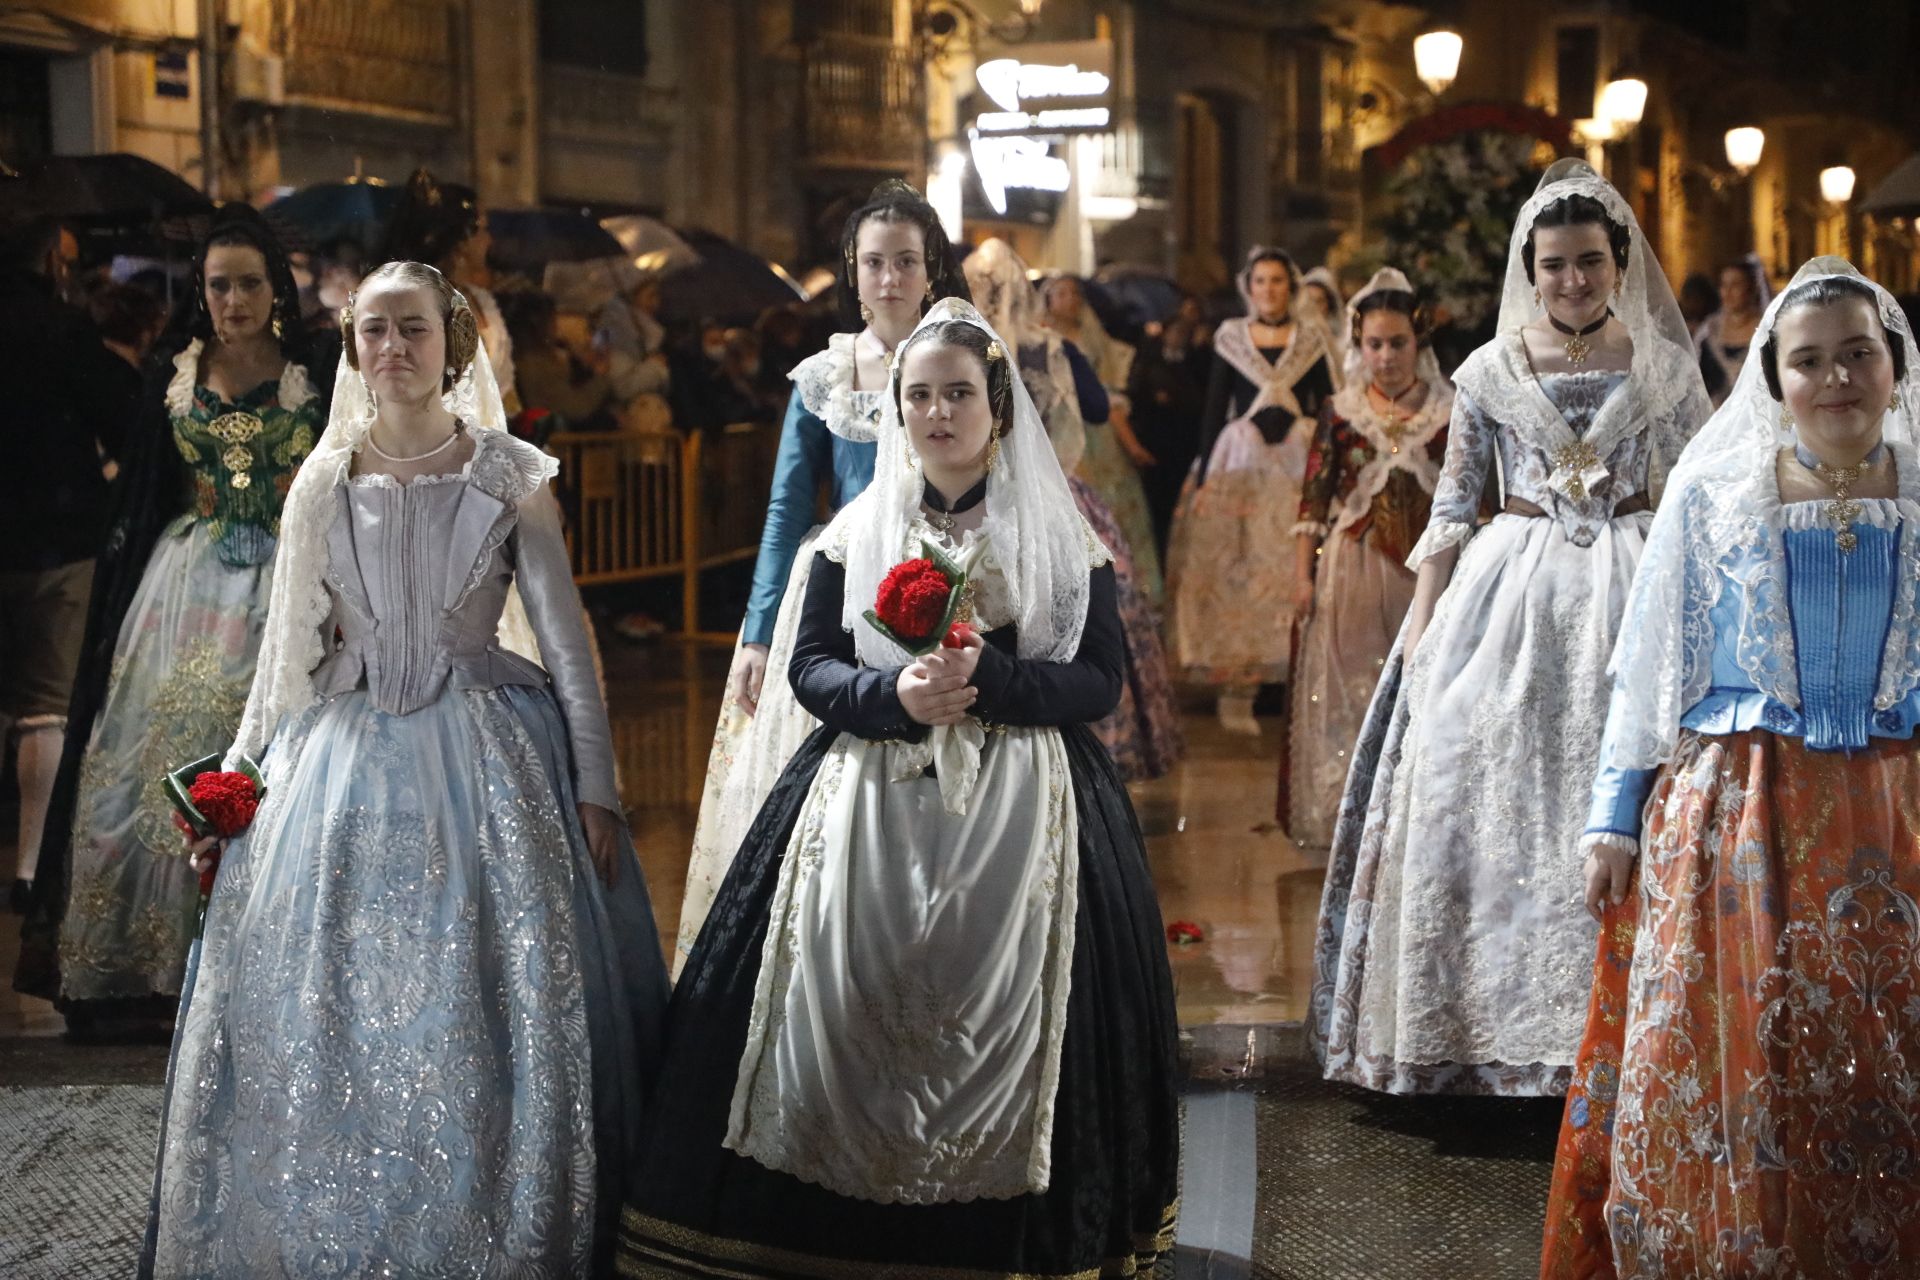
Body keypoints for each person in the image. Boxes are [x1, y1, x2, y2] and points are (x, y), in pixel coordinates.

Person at [618, 299, 1180, 1276]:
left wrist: (997, 682)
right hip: (868, 784)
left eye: (958, 392)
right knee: (834, 986)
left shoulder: (1061, 532)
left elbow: (1097, 679)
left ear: (997, 406)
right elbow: (813, 666)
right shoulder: (857, 529)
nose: (938, 413)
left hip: (1029, 793)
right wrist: (894, 694)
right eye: (919, 395)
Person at [141, 260, 668, 1277]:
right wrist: (237, 785)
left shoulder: (511, 474)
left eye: (413, 329)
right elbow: (285, 651)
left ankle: (489, 1193)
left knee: (489, 978)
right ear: (351, 348)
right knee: (334, 990)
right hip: (342, 756)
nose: (393, 350)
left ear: (452, 342)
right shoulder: (321, 483)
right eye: (373, 331)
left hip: (489, 749)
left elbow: (567, 642)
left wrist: (595, 783)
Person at [1540, 256, 1920, 1276]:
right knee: (1753, 1059)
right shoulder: (1718, 491)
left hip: (1903, 814)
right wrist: (1614, 815)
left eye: (1857, 355)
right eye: (1810, 360)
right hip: (1745, 815)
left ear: (1895, 365)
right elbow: (1652, 665)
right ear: (1771, 376)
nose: (1836, 377)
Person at [1309, 159, 1711, 1096]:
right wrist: (1422, 625)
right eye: (1554, 263)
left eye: (1590, 262)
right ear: (1529, 268)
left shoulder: (1666, 370)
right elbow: (1455, 507)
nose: (1572, 280)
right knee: (1467, 772)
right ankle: (1475, 1032)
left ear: (1620, 266)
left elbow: (1696, 500)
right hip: (1510, 592)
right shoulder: (1489, 371)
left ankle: (1617, 1041)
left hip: (1633, 584)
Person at [16, 207, 336, 1020]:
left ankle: (270, 959)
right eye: (218, 284)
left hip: (288, 579)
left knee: (281, 757)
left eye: (248, 283)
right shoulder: (175, 371)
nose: (232, 300)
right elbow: (142, 482)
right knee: (155, 752)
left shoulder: (318, 373)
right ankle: (156, 962)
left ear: (277, 288)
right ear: (200, 290)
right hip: (184, 584)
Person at [675, 180, 970, 973]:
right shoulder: (824, 376)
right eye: (874, 262)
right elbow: (784, 509)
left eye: (906, 261)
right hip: (841, 591)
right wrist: (758, 633)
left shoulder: (966, 359)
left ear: (930, 268)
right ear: (852, 270)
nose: (889, 279)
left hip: (947, 580)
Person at [966, 237, 1183, 782]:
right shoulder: (1051, 348)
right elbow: (1094, 407)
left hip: (975, 499)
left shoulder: (958, 346)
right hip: (1052, 495)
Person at [1283, 269, 1453, 850]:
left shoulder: (1450, 408)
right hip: (1353, 567)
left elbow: (1471, 498)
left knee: (1424, 689)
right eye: (1373, 344)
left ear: (1418, 340)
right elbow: (1314, 499)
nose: (1385, 357)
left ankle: (1416, 813)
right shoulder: (1340, 410)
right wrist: (1302, 576)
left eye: (1397, 343)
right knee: (1355, 691)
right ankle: (1353, 817)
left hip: (1432, 574)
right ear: (1359, 345)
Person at [0, 217, 139, 915]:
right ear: (48, 252)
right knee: (44, 708)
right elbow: (121, 414)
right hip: (56, 538)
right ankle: (29, 866)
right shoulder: (60, 328)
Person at [1165, 246, 1340, 733]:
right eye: (1261, 281)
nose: (1269, 290)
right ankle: (1236, 687)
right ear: (1250, 287)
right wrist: (1203, 480)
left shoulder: (1310, 338)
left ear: (1292, 287)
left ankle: (1289, 682)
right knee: (1236, 566)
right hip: (1240, 460)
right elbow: (1214, 407)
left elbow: (1327, 406)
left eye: (1278, 282)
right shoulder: (1230, 338)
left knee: (1289, 564)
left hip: (1294, 461)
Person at [1042, 273, 1164, 605]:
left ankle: (1125, 587)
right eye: (1060, 293)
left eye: (1073, 293)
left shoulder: (1090, 338)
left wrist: (1132, 444)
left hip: (1096, 432)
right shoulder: (1039, 337)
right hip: (1060, 432)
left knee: (1111, 509)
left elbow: (1107, 396)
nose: (1068, 300)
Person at [381, 168, 517, 412]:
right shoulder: (420, 304)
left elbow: (505, 391)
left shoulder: (481, 300)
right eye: (483, 230)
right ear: (461, 239)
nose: (489, 240)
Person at [1126, 295, 1210, 553]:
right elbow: (1135, 393)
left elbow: (1203, 398)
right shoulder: (1149, 360)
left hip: (1182, 443)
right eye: (1174, 331)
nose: (1177, 337)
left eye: (1183, 332)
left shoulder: (1196, 362)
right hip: (1153, 441)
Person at [1695, 253, 1770, 406]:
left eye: (1736, 285)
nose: (1728, 292)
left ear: (1752, 289)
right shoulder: (1709, 331)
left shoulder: (1768, 332)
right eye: (1723, 285)